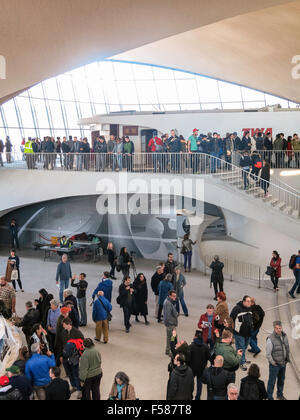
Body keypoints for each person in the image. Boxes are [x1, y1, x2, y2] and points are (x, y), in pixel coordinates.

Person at [61, 318, 84, 399]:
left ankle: (79, 389)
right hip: (65, 357)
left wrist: (79, 355)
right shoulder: (63, 332)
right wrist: (61, 355)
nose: (62, 326)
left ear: (68, 324)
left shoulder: (77, 332)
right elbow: (61, 344)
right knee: (69, 373)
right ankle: (73, 386)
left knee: (75, 373)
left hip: (74, 357)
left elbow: (82, 344)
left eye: (63, 324)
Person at [266, 321, 290, 401]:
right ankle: (269, 397)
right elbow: (268, 354)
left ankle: (280, 395)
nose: (279, 330)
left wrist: (287, 359)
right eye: (277, 328)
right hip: (275, 365)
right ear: (274, 328)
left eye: (280, 328)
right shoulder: (270, 339)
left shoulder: (284, 336)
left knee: (281, 380)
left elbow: (287, 347)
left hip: (283, 363)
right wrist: (273, 363)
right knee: (272, 382)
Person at [230, 296, 253, 371]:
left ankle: (242, 358)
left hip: (248, 333)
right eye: (248, 301)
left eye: (250, 301)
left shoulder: (249, 308)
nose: (249, 303)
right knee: (241, 348)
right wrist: (232, 330)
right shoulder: (237, 308)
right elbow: (231, 319)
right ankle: (241, 362)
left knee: (245, 347)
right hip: (239, 334)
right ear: (243, 301)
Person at [189, 330, 211, 400]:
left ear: (195, 336)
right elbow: (209, 357)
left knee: (190, 383)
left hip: (192, 368)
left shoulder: (191, 346)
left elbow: (188, 357)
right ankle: (198, 398)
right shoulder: (205, 347)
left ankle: (190, 396)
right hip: (201, 368)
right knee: (199, 384)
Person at [163, 290, 178, 356]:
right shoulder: (168, 303)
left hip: (171, 325)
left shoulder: (169, 301)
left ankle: (170, 350)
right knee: (171, 338)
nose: (175, 297)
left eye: (175, 296)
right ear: (169, 296)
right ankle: (169, 351)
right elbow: (167, 316)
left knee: (173, 338)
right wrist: (173, 324)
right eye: (173, 296)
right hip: (170, 325)